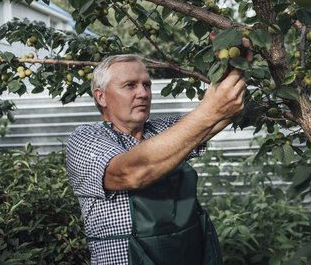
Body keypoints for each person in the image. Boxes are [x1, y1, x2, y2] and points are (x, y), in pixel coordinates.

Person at [66, 54, 246, 264]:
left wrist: (234, 63)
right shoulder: (85, 138)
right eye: (130, 85)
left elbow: (221, 114)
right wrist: (209, 112)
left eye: (146, 85)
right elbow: (130, 173)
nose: (143, 93)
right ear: (101, 97)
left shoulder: (159, 130)